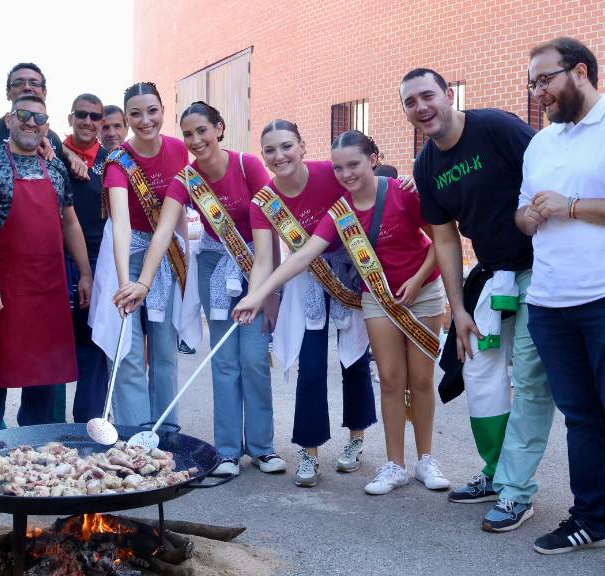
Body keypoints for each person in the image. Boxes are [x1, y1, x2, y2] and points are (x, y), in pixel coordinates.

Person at [235, 129, 449, 494]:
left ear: (373, 159)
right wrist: (260, 293)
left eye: (354, 165)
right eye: (339, 168)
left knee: (415, 379)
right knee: (383, 378)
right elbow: (303, 255)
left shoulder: (399, 192)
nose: (347, 174)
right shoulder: (335, 211)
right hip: (362, 291)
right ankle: (385, 463)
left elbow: (443, 239)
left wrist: (417, 280)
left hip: (403, 285)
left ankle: (420, 458)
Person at [400, 68, 552, 532]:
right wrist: (458, 309)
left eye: (428, 96)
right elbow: (444, 240)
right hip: (492, 280)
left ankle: (516, 492)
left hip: (542, 272)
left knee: (527, 379)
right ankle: (495, 472)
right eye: (410, 102)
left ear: (448, 95)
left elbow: (550, 167)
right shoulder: (426, 165)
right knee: (479, 371)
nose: (421, 107)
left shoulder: (496, 127)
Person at [113, 101, 285, 476]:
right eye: (188, 134)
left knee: (254, 358)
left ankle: (262, 447)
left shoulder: (247, 165)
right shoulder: (185, 179)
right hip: (213, 267)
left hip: (256, 263)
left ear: (219, 129)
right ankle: (226, 451)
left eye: (202, 131)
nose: (195, 140)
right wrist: (143, 281)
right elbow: (163, 232)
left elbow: (270, 227)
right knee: (223, 359)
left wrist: (267, 292)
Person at [229, 119, 375, 488]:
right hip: (304, 277)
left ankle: (356, 441)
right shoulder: (263, 202)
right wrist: (258, 295)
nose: (279, 156)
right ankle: (308, 453)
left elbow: (371, 189)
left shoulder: (331, 173)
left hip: (351, 268)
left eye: (286, 146)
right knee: (310, 364)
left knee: (354, 359)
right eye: (270, 150)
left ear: (302, 147)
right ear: (262, 156)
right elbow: (263, 258)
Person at [518, 37, 605, 554]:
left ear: (579, 72)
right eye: (532, 84)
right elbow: (523, 212)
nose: (538, 92)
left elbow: (566, 205)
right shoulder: (540, 144)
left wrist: (570, 206)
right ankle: (591, 516)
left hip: (601, 297)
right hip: (550, 302)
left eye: (545, 79)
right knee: (580, 416)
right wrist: (525, 217)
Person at [0, 95, 91, 433]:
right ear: (9, 119)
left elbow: (70, 223)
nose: (30, 123)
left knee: (45, 376)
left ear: (47, 127)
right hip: (3, 287)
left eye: (39, 118)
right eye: (23, 115)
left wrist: (86, 274)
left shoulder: (54, 166)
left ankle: (38, 446)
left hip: (48, 288)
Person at [90, 82, 190, 429]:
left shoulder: (178, 150)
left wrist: (186, 264)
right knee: (128, 351)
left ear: (163, 110)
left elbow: (176, 217)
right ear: (127, 118)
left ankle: (166, 429)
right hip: (126, 254)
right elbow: (120, 226)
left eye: (152, 111)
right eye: (136, 113)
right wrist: (123, 284)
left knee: (164, 348)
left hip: (165, 255)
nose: (145, 120)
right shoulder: (119, 161)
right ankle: (134, 434)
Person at [62, 93, 110, 422]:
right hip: (52, 259)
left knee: (93, 346)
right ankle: (39, 429)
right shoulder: (48, 153)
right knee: (48, 347)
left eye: (95, 117)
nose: (88, 122)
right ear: (71, 118)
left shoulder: (112, 163)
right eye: (82, 115)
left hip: (95, 262)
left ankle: (88, 427)